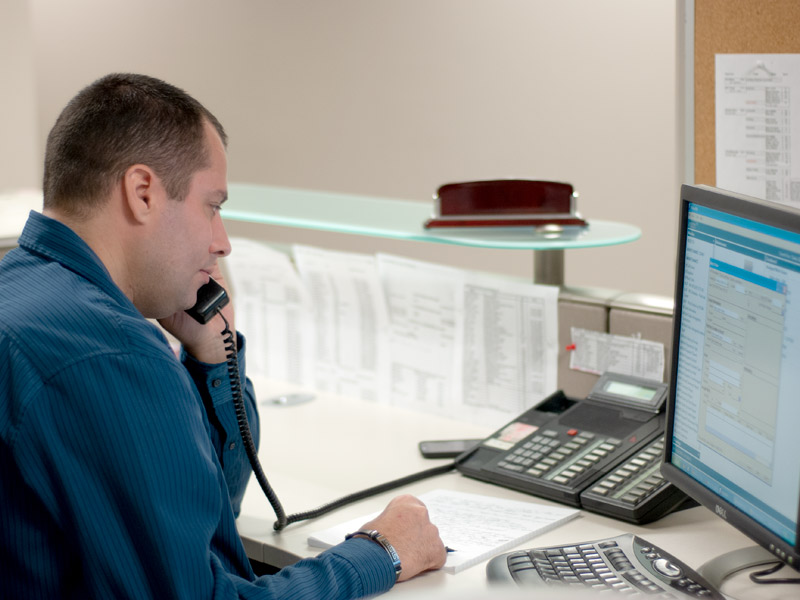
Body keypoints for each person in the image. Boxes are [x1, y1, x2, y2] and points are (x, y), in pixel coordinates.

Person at [0, 73, 446, 599]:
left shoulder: (20, 293)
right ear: (142, 192)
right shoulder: (109, 353)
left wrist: (215, 357)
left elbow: (201, 517)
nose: (223, 242)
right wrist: (382, 551)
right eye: (212, 207)